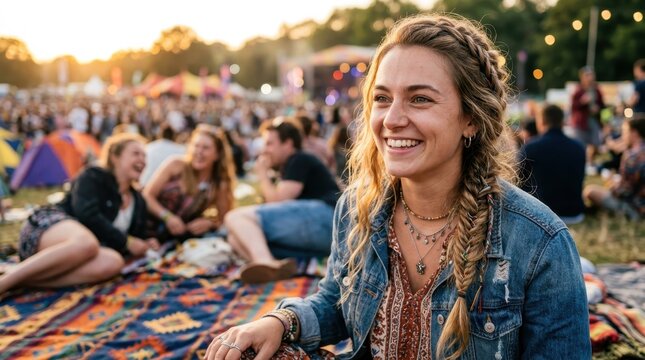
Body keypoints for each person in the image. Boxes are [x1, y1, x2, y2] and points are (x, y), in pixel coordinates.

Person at [206, 14, 590, 360]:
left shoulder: (540, 244)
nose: (392, 119)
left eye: (420, 99)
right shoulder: (359, 207)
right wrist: (281, 321)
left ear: (471, 119)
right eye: (382, 98)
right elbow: (337, 303)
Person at [0, 133, 156, 294]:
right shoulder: (93, 175)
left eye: (144, 156)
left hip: (78, 257)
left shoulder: (138, 200)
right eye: (136, 154)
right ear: (115, 157)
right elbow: (87, 215)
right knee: (86, 242)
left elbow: (137, 236)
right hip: (47, 227)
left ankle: (24, 280)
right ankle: (4, 283)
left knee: (114, 262)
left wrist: (147, 242)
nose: (142, 160)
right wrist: (127, 241)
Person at [224, 119, 340, 284]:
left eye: (270, 143)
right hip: (325, 234)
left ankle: (265, 261)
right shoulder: (290, 164)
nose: (265, 150)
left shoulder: (299, 159)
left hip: (328, 218)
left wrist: (262, 174)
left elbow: (277, 201)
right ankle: (273, 267)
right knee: (235, 238)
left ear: (288, 144)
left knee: (235, 217)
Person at [143, 124, 235, 242]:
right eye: (196, 146)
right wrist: (167, 217)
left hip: (178, 237)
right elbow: (147, 195)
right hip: (147, 226)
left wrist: (209, 223)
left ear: (217, 154)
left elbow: (225, 219)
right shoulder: (176, 165)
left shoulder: (218, 184)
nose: (199, 152)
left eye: (205, 148)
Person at [518, 104, 586, 224]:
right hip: (574, 214)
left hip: (542, 216)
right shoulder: (579, 147)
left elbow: (518, 181)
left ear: (541, 121)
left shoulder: (531, 148)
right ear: (562, 121)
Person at [584, 115, 645, 220]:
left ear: (634, 133)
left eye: (625, 132)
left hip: (636, 209)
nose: (623, 135)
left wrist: (613, 184)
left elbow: (624, 191)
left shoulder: (632, 156)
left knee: (590, 191)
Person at [570, 66, 605, 169]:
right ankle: (584, 163)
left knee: (595, 143)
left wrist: (598, 108)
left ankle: (590, 162)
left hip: (593, 119)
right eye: (587, 75)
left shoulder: (596, 89)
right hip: (581, 122)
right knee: (581, 145)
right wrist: (582, 102)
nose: (590, 78)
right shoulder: (578, 90)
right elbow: (573, 106)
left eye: (591, 75)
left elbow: (602, 104)